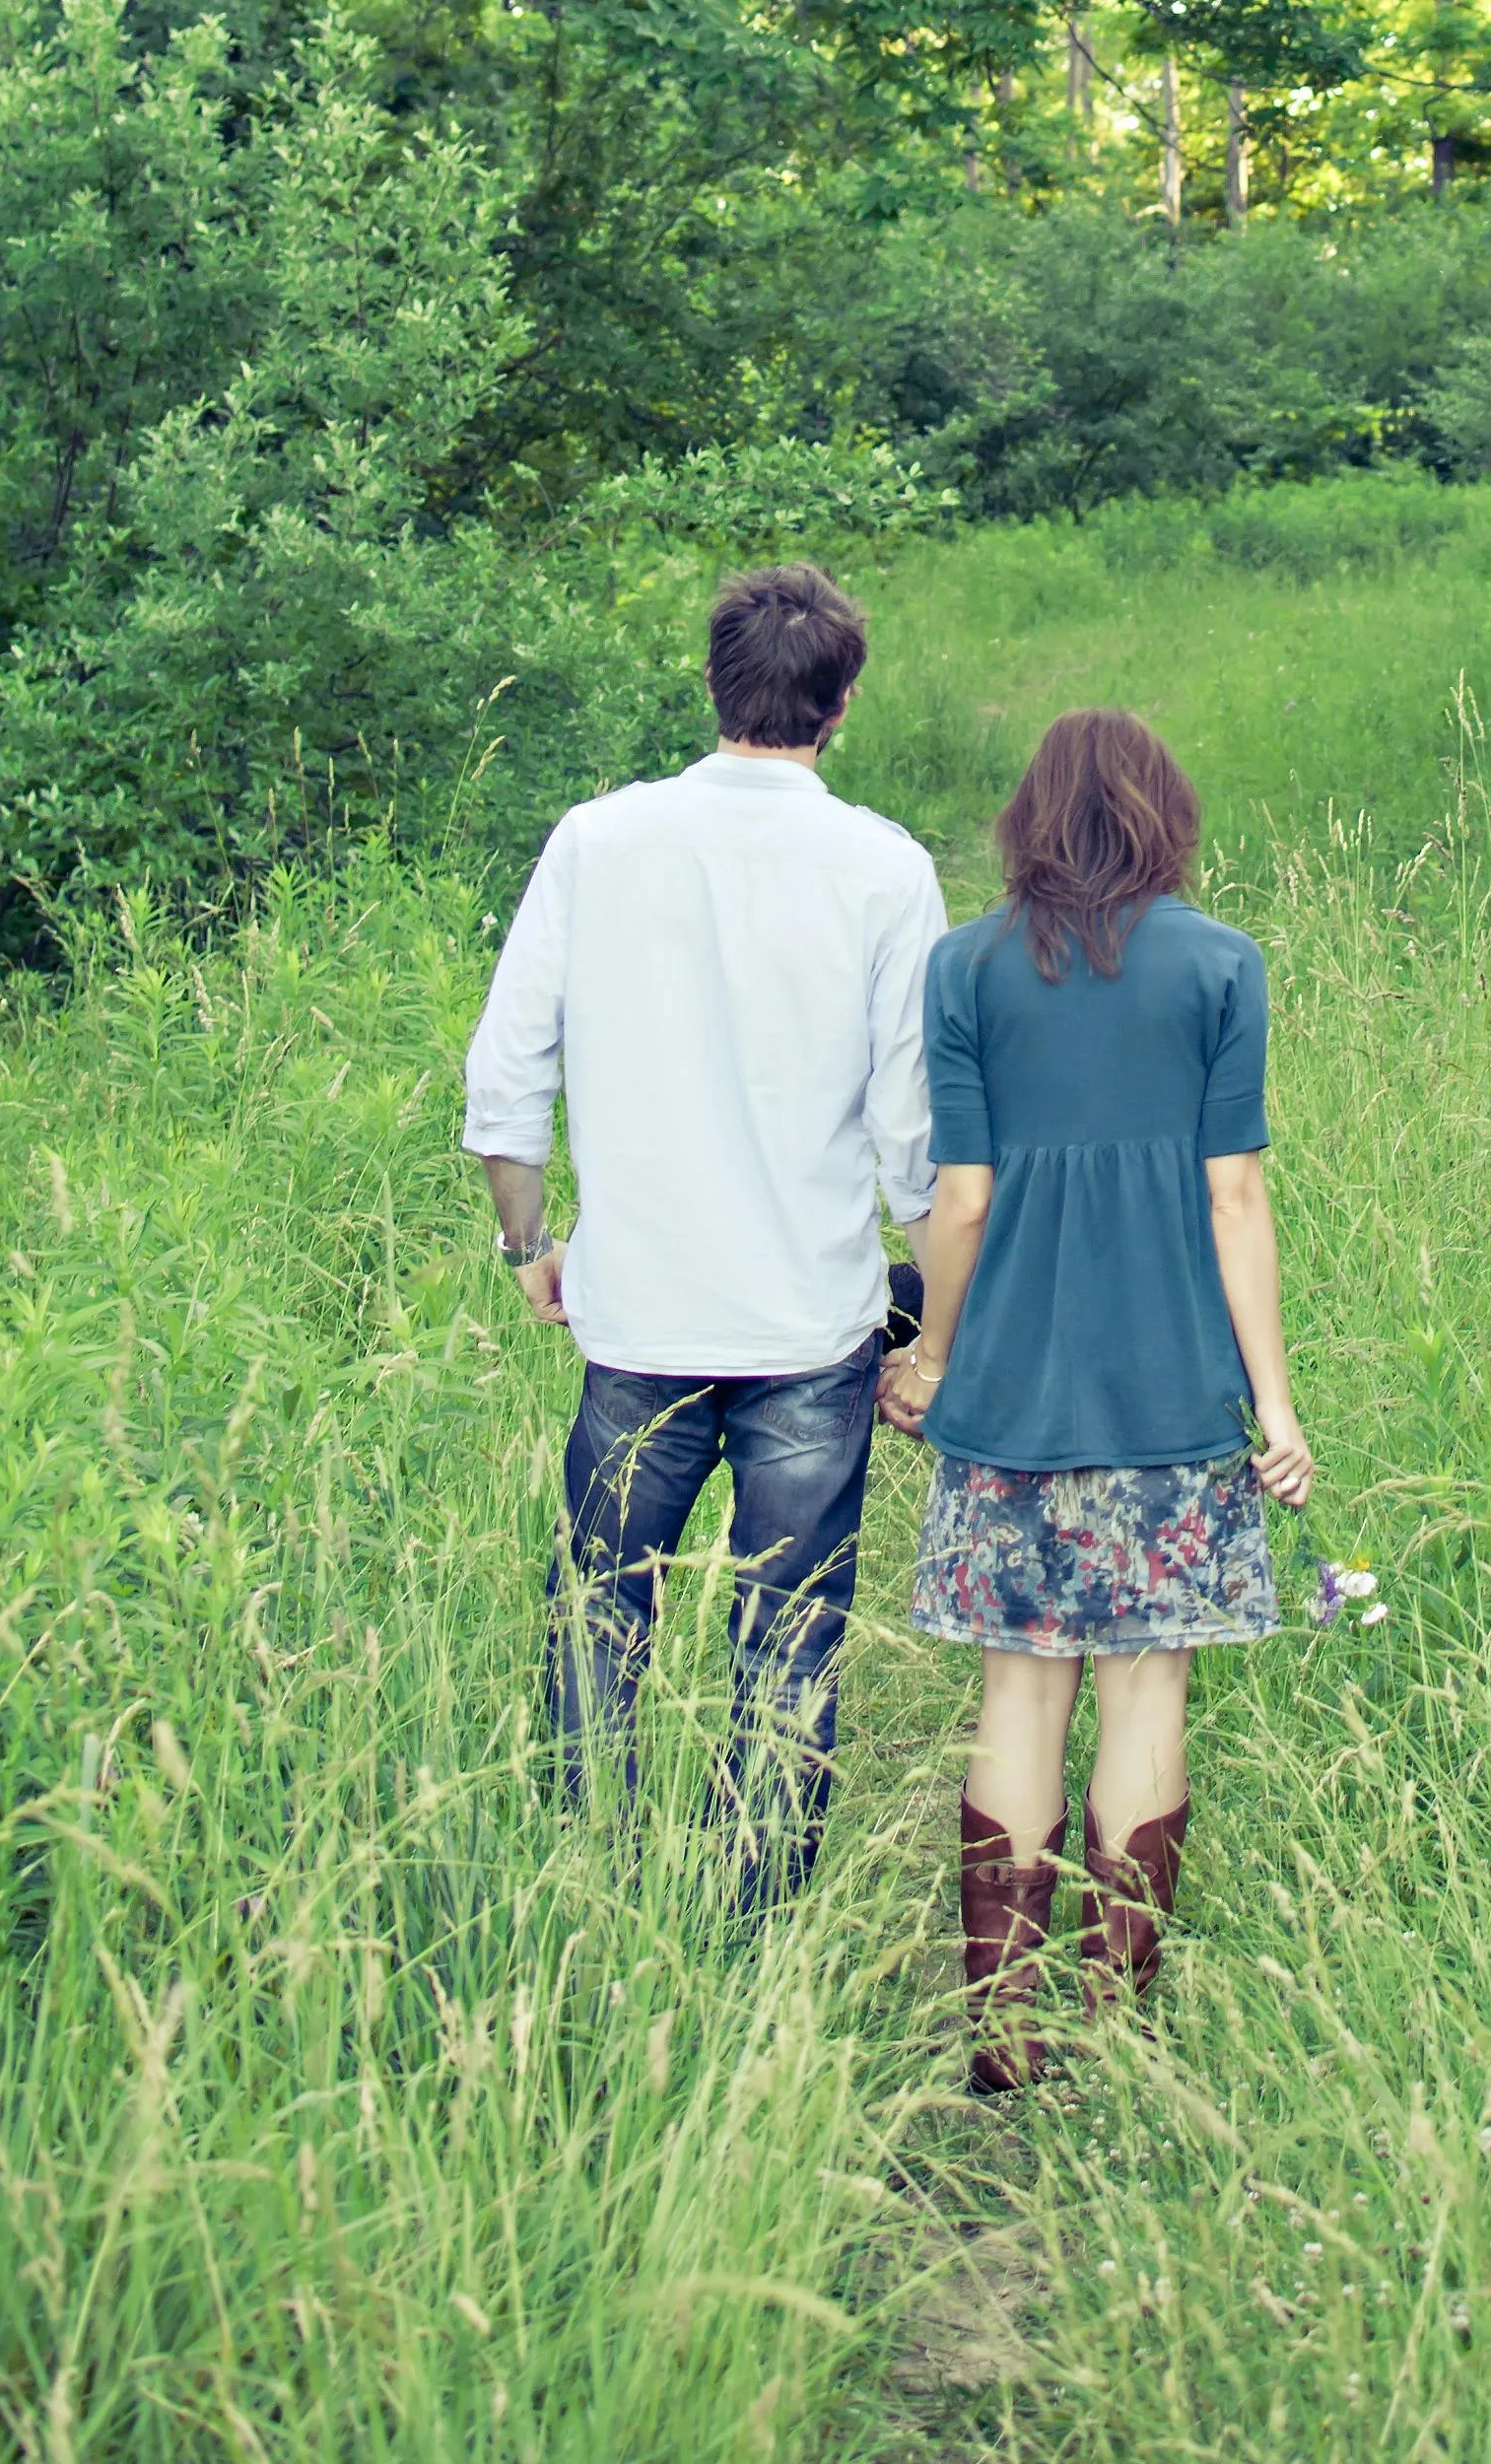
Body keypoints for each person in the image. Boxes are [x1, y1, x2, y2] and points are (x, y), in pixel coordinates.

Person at [462, 560, 945, 1912]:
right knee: (789, 1639)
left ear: (714, 683)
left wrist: (529, 1250)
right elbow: (920, 1148)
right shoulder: (888, 872)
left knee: (600, 1618)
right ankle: (754, 1924)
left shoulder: (598, 840)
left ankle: (588, 1894)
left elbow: (504, 1084)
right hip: (811, 1327)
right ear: (840, 702)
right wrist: (944, 1335)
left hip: (639, 1313)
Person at [879, 707, 1312, 2088]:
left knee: (1018, 1701)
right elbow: (1233, 1195)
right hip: (1174, 1404)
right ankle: (1116, 2033)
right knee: (1147, 1699)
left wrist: (932, 1363)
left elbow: (961, 1198)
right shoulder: (1221, 967)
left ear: (1025, 824)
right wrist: (1277, 1407)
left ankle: (1001, 2037)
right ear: (1162, 815)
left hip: (1008, 1402)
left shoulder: (965, 968)